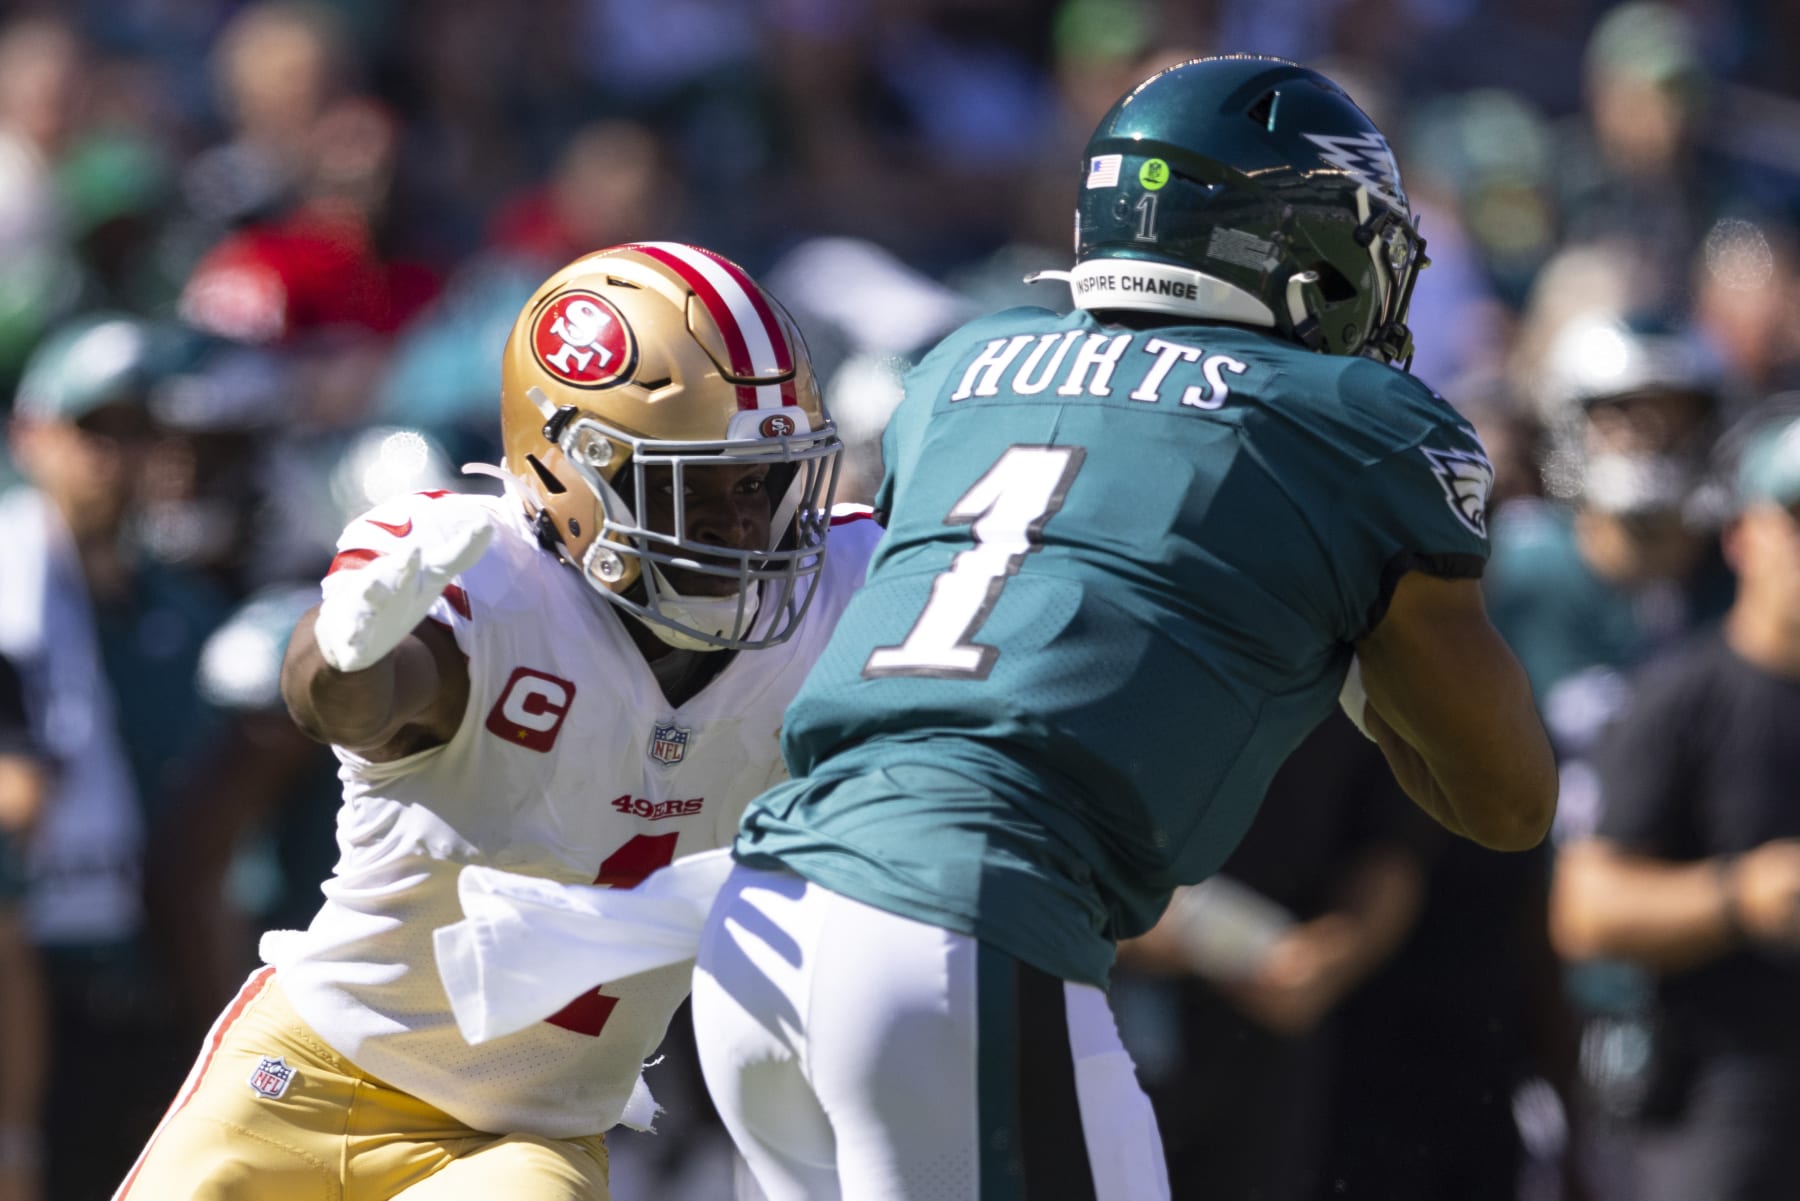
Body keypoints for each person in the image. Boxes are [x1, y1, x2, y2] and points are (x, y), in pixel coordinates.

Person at [687, 55, 1557, 1201]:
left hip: (764, 924)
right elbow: (1506, 800)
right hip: (962, 930)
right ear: (1281, 238)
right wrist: (1344, 649)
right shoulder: (1352, 423)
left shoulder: (960, 367)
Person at [111, 241, 876, 1201]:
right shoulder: (492, 577)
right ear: (573, 470)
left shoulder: (844, 592)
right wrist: (343, 655)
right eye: (696, 487)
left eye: (761, 481)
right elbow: (352, 694)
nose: (744, 525)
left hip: (522, 1140)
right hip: (305, 1079)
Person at [1549, 406, 1800, 1201]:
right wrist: (1743, 896)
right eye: (1797, 520)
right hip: (1721, 1089)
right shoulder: (1683, 698)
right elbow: (1586, 908)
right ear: (1743, 536)